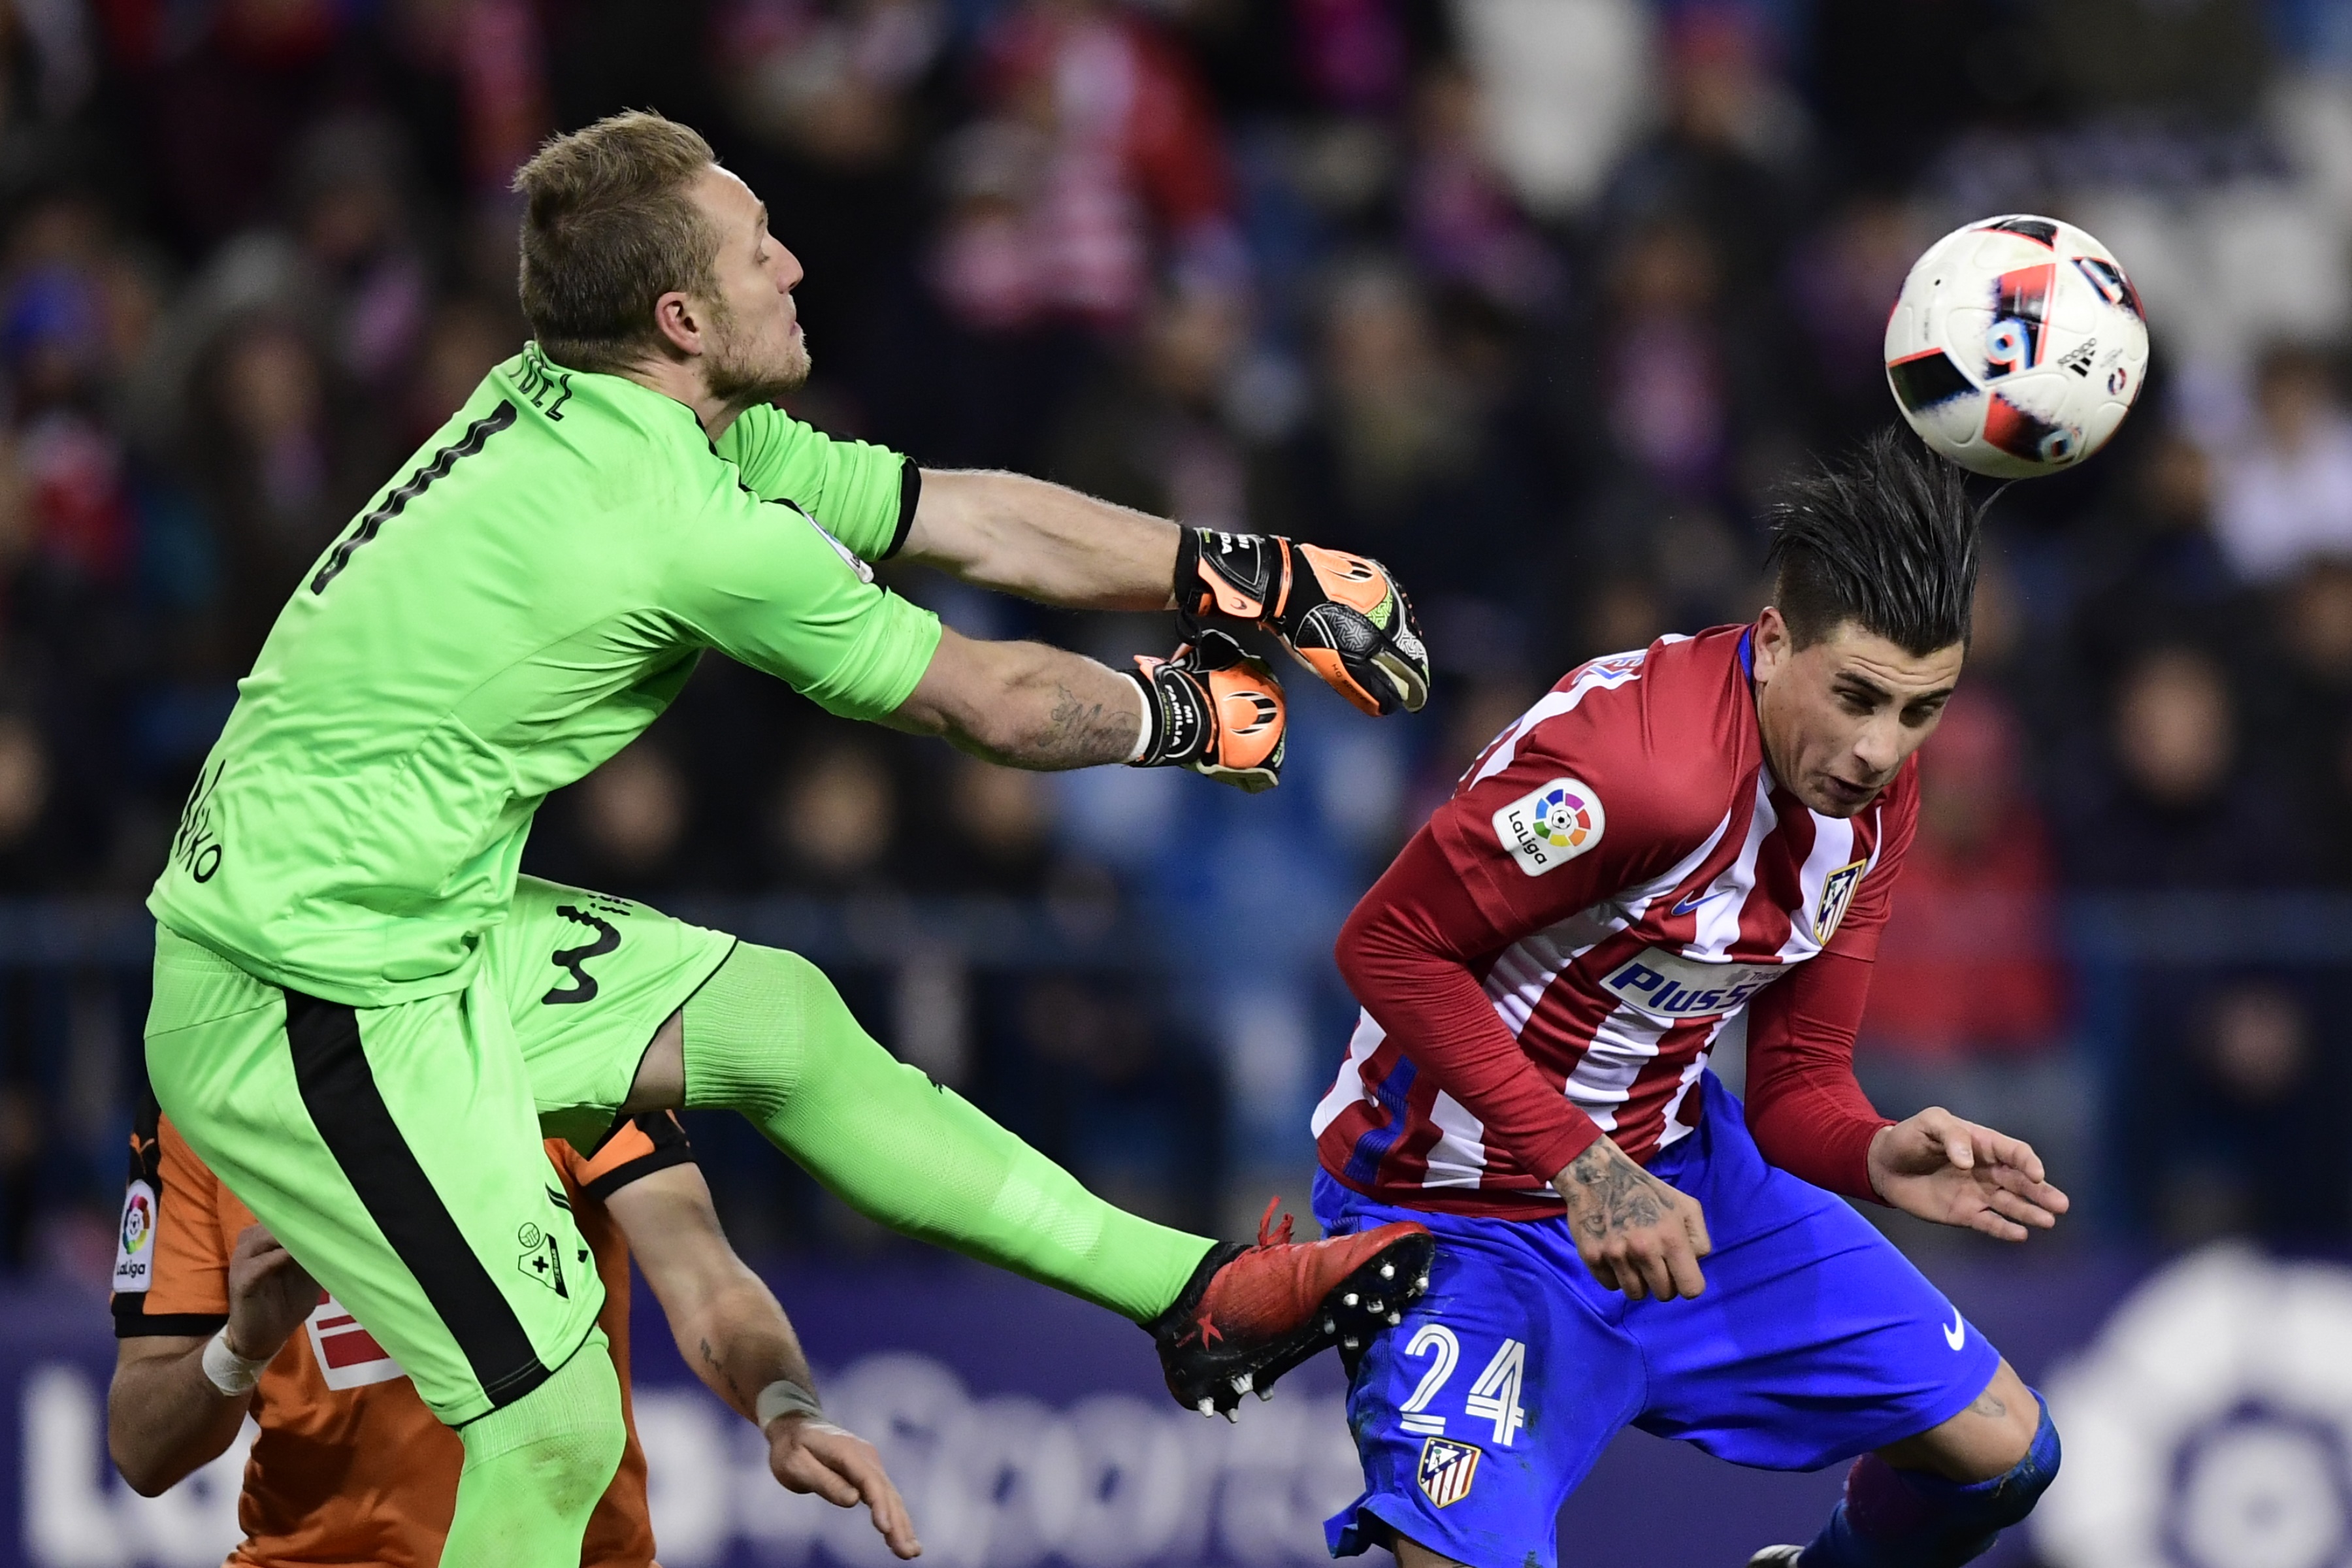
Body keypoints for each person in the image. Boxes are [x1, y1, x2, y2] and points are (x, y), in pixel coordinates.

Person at [141, 110, 1437, 1567]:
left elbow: (967, 518)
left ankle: (1189, 1296)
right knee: (553, 1426)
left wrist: (1237, 571)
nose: (797, 264)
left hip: (399, 933)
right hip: (302, 998)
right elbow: (994, 704)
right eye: (764, 253)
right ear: (683, 317)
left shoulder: (619, 408)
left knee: (780, 1020)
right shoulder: (674, 518)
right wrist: (1197, 721)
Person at [1307, 431, 2068, 1568]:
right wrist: (1580, 1163)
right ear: (1772, 643)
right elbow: (1386, 946)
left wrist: (1874, 1154)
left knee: (2008, 1451)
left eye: (1921, 710)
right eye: (1856, 695)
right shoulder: (1632, 772)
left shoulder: (1876, 800)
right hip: (1458, 1221)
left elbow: (1798, 1085)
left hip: (1682, 1189)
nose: (1878, 750)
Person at [108, 1087, 920, 1563]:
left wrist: (785, 1408)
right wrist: (238, 1351)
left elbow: (705, 1276)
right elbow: (141, 1451)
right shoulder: (201, 1106)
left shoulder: (558, 1040)